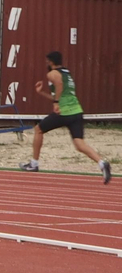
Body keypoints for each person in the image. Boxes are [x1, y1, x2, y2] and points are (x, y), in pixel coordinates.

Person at [21, 50, 112, 183]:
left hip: (64, 112)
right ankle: (102, 163)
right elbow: (59, 94)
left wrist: (56, 104)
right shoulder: (67, 73)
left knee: (38, 130)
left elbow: (59, 86)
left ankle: (34, 164)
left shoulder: (52, 73)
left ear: (51, 61)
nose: (46, 63)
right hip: (76, 111)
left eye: (47, 60)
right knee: (79, 144)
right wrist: (41, 93)